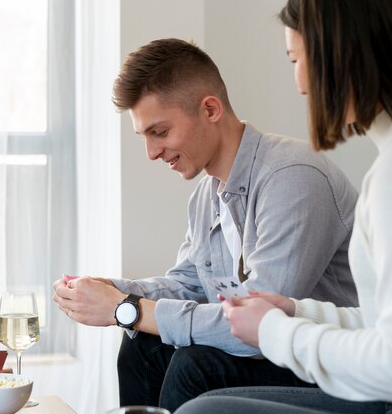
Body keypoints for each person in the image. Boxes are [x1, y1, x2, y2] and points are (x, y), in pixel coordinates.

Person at [53, 38, 360, 412]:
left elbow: (259, 327)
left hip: (331, 368)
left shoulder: (292, 177)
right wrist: (112, 291)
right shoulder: (206, 196)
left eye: (160, 132)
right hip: (277, 360)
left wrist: (125, 308)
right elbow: (189, 285)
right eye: (144, 136)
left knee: (193, 365)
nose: (151, 153)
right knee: (141, 343)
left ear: (210, 109)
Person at [175, 0, 392, 413]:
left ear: (341, 53)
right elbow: (388, 326)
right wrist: (293, 311)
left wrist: (274, 331)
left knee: (204, 408)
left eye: (296, 58)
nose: (301, 83)